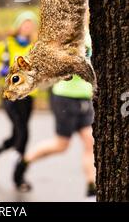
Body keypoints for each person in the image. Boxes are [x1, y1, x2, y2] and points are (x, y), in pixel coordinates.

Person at [14, 31, 96, 198]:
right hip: (65, 98)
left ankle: (91, 185)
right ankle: (23, 164)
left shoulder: (90, 34)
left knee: (90, 140)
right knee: (61, 145)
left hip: (85, 98)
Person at [0, 11, 38, 191]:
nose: (28, 27)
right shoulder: (6, 45)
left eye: (31, 24)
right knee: (23, 133)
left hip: (28, 96)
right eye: (25, 23)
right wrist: (2, 69)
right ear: (19, 25)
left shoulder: (35, 46)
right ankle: (18, 177)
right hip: (11, 96)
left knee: (17, 135)